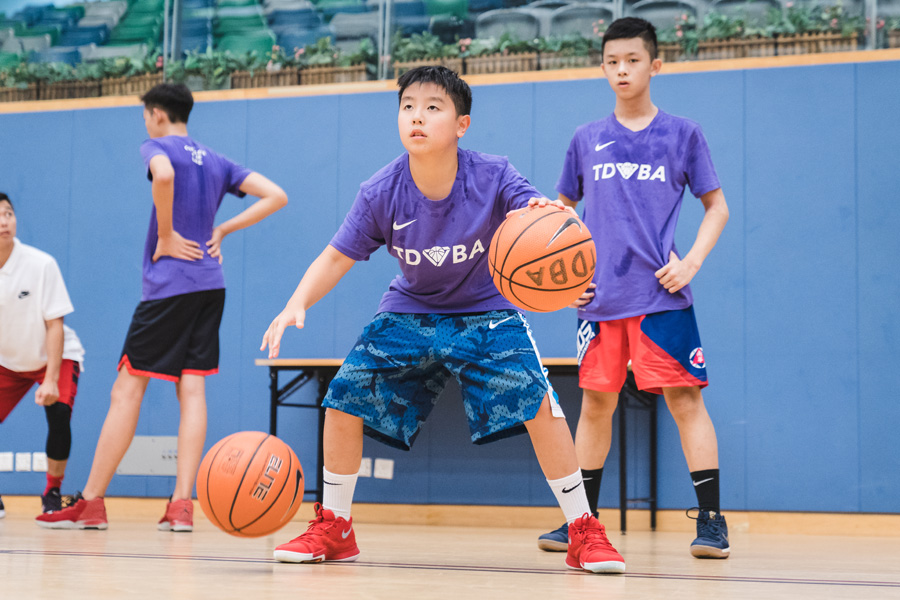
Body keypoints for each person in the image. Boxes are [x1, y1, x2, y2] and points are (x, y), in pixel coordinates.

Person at [260, 66, 625, 574]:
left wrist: (558, 265)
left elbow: (537, 214)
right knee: (343, 397)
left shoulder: (493, 174)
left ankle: (584, 530)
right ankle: (335, 527)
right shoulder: (381, 191)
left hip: (488, 312)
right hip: (411, 311)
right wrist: (296, 302)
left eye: (433, 107)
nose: (417, 116)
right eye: (408, 106)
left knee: (540, 403)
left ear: (461, 125)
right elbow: (337, 255)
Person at [37, 83, 288, 531]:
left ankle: (91, 501)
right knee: (192, 389)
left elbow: (165, 174)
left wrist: (168, 235)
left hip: (170, 287)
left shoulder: (156, 147)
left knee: (126, 389)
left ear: (155, 114)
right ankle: (181, 505)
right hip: (211, 285)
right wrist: (222, 230)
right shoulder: (216, 159)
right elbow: (276, 194)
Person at [537, 17, 731, 559]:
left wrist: (691, 263)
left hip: (661, 300)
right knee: (595, 406)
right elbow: (561, 212)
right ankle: (582, 523)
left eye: (632, 60)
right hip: (600, 300)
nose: (621, 70)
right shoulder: (586, 139)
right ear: (602, 68)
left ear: (655, 65)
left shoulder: (683, 134)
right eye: (612, 62)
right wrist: (566, 278)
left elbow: (717, 207)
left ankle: (711, 521)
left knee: (685, 400)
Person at [0, 192, 85, 517]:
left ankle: (52, 491)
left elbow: (54, 324)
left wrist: (50, 379)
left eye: (8, 213)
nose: (4, 221)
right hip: (7, 360)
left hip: (55, 355)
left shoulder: (40, 264)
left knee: (59, 414)